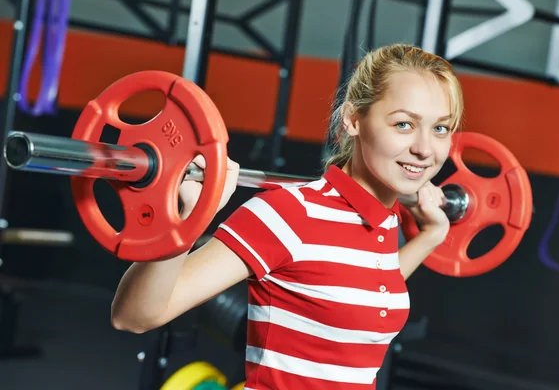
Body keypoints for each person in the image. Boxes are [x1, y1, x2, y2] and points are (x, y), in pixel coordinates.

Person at [111, 43, 463, 389]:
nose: (424, 149)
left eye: (440, 128)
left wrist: (431, 234)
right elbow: (135, 316)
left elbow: (351, 288)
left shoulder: (384, 220)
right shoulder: (290, 214)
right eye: (404, 124)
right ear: (354, 119)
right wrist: (187, 219)